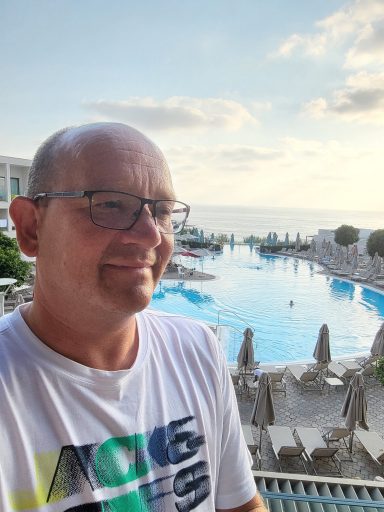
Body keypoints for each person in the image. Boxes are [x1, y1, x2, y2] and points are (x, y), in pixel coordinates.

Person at [0, 123, 266, 512]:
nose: (150, 235)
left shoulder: (197, 350)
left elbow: (243, 505)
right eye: (109, 204)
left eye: (162, 212)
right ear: (30, 228)